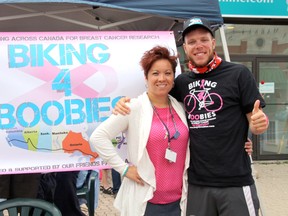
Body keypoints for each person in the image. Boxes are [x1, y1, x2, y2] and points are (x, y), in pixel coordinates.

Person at [113, 17, 269, 216]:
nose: (199, 46)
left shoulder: (238, 74)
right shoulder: (181, 82)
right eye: (192, 42)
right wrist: (123, 103)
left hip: (234, 181)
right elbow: (156, 102)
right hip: (195, 184)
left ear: (213, 42)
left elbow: (256, 121)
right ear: (185, 48)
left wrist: (259, 125)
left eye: (203, 39)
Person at [89, 46, 190, 216]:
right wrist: (124, 169)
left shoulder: (180, 107)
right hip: (145, 202)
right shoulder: (134, 107)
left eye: (167, 73)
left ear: (174, 77)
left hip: (179, 202)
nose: (162, 78)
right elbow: (98, 137)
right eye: (155, 73)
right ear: (146, 77)